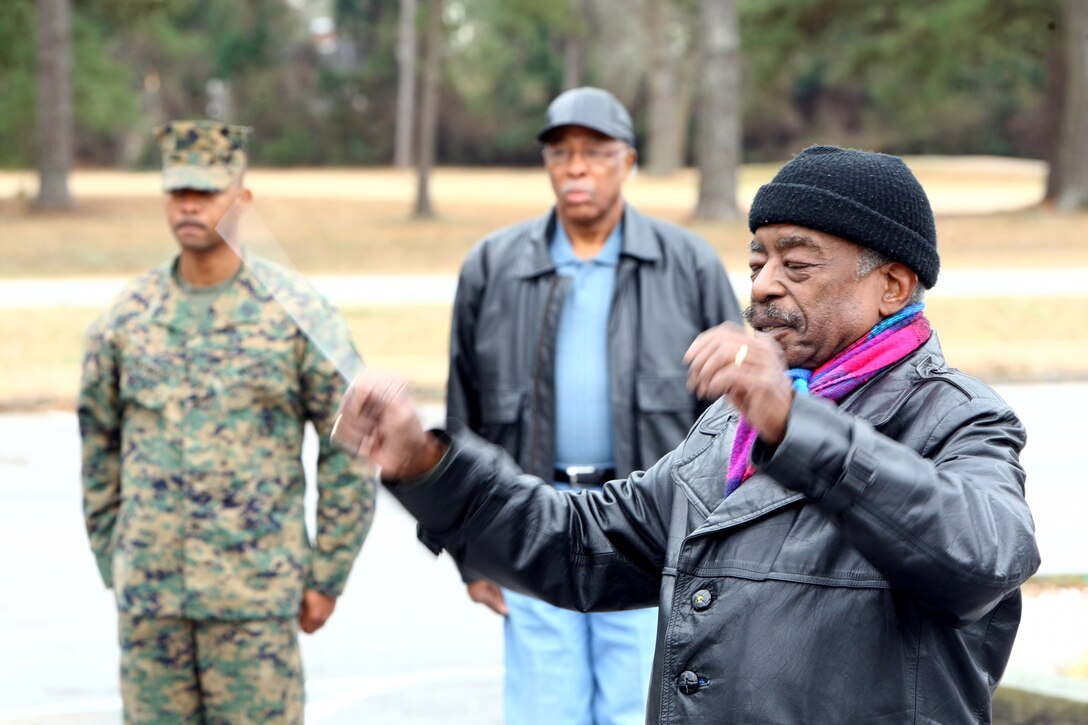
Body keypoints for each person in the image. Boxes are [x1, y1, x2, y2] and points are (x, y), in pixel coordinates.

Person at [334, 145, 1041, 723]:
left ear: (891, 285)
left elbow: (981, 558)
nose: (763, 284)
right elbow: (582, 544)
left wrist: (797, 427)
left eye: (796, 264)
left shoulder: (957, 416)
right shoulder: (731, 426)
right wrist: (426, 463)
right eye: (757, 259)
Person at [445, 86, 741, 724]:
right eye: (561, 152)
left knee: (638, 710)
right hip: (534, 526)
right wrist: (472, 548)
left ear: (628, 161)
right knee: (544, 711)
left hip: (648, 536)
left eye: (595, 152)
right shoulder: (492, 268)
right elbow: (463, 414)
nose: (576, 167)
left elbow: (735, 423)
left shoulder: (685, 263)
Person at [79, 120, 377, 723]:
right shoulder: (126, 320)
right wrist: (117, 559)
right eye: (177, 190)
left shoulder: (295, 312)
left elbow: (353, 445)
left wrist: (327, 574)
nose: (190, 204)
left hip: (256, 603)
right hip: (152, 605)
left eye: (207, 191)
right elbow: (97, 447)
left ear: (242, 197)